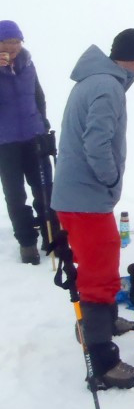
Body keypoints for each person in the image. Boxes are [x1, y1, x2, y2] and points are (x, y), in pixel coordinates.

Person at [51, 28, 134, 390]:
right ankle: (104, 363)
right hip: (86, 199)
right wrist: (109, 180)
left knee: (103, 263)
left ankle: (104, 322)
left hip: (77, 197)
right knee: (97, 274)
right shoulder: (108, 86)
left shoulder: (93, 80)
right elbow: (96, 141)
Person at [0, 20, 55, 264]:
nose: (13, 47)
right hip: (5, 143)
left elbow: (38, 96)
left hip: (34, 138)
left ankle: (51, 237)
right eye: (8, 42)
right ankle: (26, 242)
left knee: (45, 190)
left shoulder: (28, 64)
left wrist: (43, 124)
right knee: (14, 195)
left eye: (17, 42)